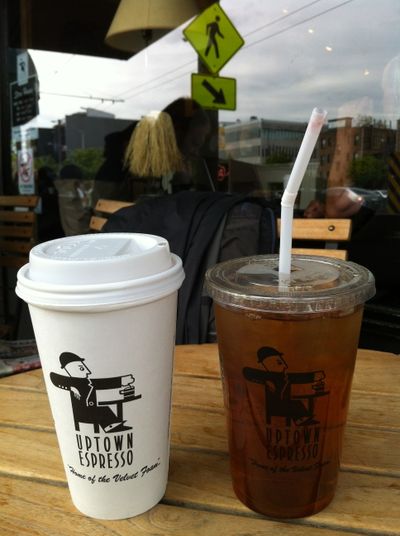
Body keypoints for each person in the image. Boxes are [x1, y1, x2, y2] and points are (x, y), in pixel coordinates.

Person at [122, 97, 211, 198]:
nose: (196, 153)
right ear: (175, 135)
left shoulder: (156, 169)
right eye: (194, 144)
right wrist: (183, 185)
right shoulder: (144, 173)